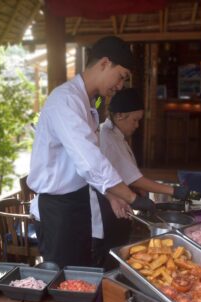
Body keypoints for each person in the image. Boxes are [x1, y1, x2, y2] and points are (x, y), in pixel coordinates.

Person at [27, 36, 155, 267]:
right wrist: (132, 197)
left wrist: (111, 195)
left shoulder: (87, 103)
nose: (120, 86)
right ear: (104, 63)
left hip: (77, 202)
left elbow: (82, 164)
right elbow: (89, 160)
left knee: (81, 275)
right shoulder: (65, 100)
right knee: (64, 282)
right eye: (121, 77)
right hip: (58, 209)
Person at [91, 88, 190, 266]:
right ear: (120, 116)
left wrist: (139, 189)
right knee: (112, 253)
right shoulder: (108, 137)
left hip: (118, 199)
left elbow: (128, 174)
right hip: (106, 203)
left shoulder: (115, 134)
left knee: (118, 248)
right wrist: (173, 190)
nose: (137, 125)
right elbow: (133, 178)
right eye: (135, 120)